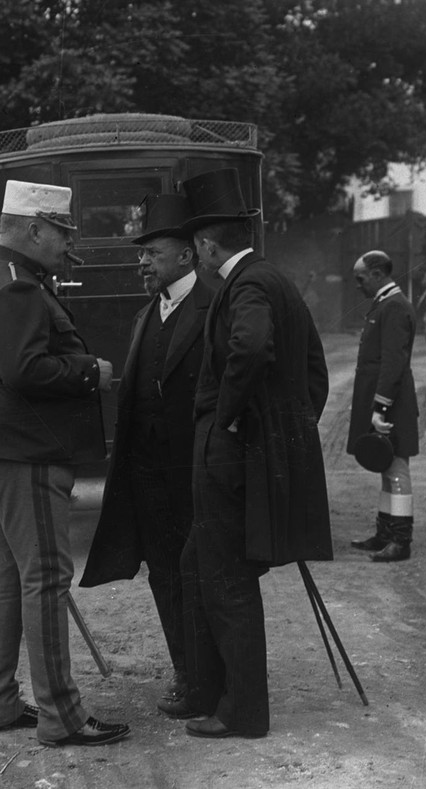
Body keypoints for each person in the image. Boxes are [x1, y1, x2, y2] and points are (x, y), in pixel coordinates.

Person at [0, 180, 129, 747]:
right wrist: (89, 372)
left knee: (9, 578)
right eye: (62, 232)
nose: (68, 243)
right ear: (33, 228)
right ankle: (62, 716)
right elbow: (24, 371)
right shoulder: (18, 289)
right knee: (47, 578)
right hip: (21, 451)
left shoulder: (0, 276)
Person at [175, 168, 331, 740]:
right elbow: (315, 374)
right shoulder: (274, 280)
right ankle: (210, 690)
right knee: (199, 563)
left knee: (225, 578)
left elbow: (253, 347)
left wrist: (230, 422)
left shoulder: (247, 287)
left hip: (229, 457)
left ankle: (242, 712)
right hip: (250, 454)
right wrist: (285, 431)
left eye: (195, 247)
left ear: (207, 246)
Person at [79, 193, 211, 711]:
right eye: (142, 255)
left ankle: (208, 674)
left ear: (185, 255)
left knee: (201, 573)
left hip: (196, 472)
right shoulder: (144, 317)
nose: (142, 262)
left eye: (152, 254)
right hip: (150, 474)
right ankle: (185, 670)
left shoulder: (213, 306)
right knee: (163, 572)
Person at [347, 250, 419, 562]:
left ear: (378, 274)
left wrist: (381, 408)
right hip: (384, 401)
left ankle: (400, 542)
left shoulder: (394, 307)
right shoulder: (385, 304)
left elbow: (393, 362)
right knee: (385, 467)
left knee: (397, 468)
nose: (358, 285)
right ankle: (385, 533)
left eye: (360, 278)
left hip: (393, 402)